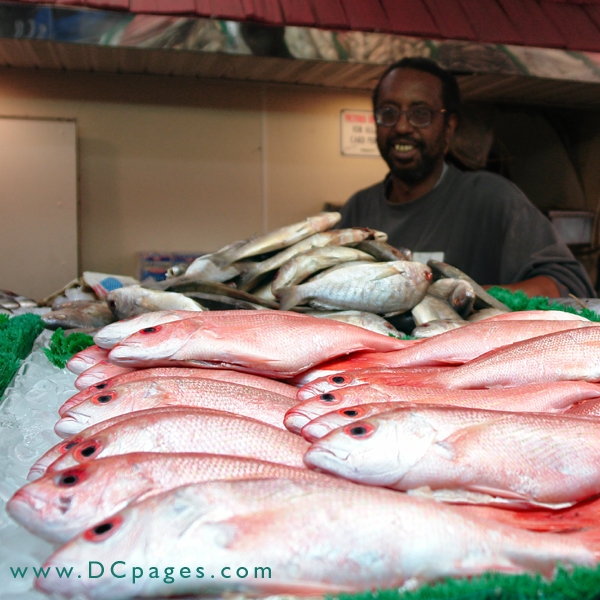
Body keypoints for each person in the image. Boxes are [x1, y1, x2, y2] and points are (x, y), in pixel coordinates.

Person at [337, 57, 595, 299]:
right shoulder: (357, 210)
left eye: (420, 114)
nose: (402, 127)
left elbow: (570, 286)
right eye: (388, 112)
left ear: (449, 127)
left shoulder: (491, 198)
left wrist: (472, 299)